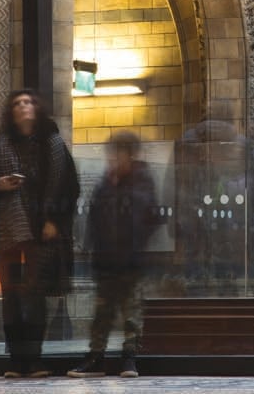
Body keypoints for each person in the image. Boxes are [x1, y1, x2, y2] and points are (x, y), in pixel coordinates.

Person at [0, 90, 78, 380]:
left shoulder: (53, 145)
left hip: (40, 233)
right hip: (7, 233)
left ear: (37, 109)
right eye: (17, 103)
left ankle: (35, 359)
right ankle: (17, 360)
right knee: (12, 296)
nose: (23, 107)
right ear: (11, 112)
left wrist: (54, 219)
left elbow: (70, 187)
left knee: (34, 294)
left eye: (28, 101)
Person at [67, 131, 161, 380]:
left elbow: (146, 216)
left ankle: (129, 359)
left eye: (119, 152)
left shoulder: (142, 180)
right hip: (106, 259)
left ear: (130, 154)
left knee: (131, 312)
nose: (114, 158)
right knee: (102, 313)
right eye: (112, 153)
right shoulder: (104, 183)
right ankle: (95, 356)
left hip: (131, 260)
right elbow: (95, 219)